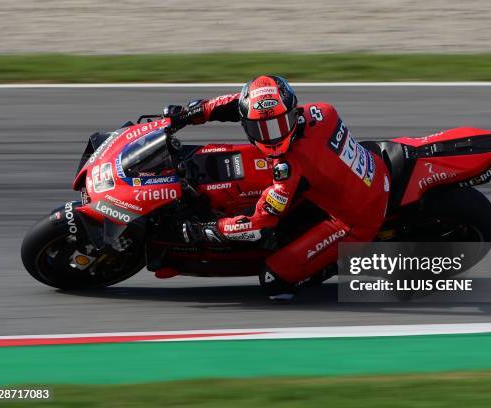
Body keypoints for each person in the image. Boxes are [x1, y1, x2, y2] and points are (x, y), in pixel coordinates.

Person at [164, 75, 390, 300]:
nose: (273, 135)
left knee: (274, 280)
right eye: (261, 129)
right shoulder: (320, 111)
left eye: (279, 125)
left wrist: (207, 229)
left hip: (356, 219)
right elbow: (239, 104)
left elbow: (258, 225)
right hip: (370, 168)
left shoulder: (290, 167)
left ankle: (339, 262)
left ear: (292, 112)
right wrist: (190, 114)